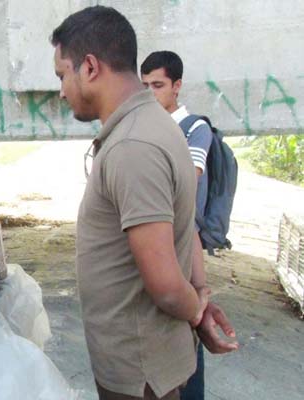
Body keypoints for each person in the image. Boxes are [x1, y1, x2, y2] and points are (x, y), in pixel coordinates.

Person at [51, 6, 205, 399]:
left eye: (62, 75)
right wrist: (201, 292)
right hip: (146, 364)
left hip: (140, 374)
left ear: (89, 67)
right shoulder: (152, 123)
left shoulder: (133, 146)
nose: (61, 89)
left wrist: (197, 309)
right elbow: (184, 231)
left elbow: (168, 287)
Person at [141, 50, 239, 400]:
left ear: (177, 86)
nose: (150, 93)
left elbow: (188, 180)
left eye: (158, 85)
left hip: (184, 243)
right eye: (145, 86)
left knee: (189, 328)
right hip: (158, 242)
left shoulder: (194, 129)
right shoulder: (148, 129)